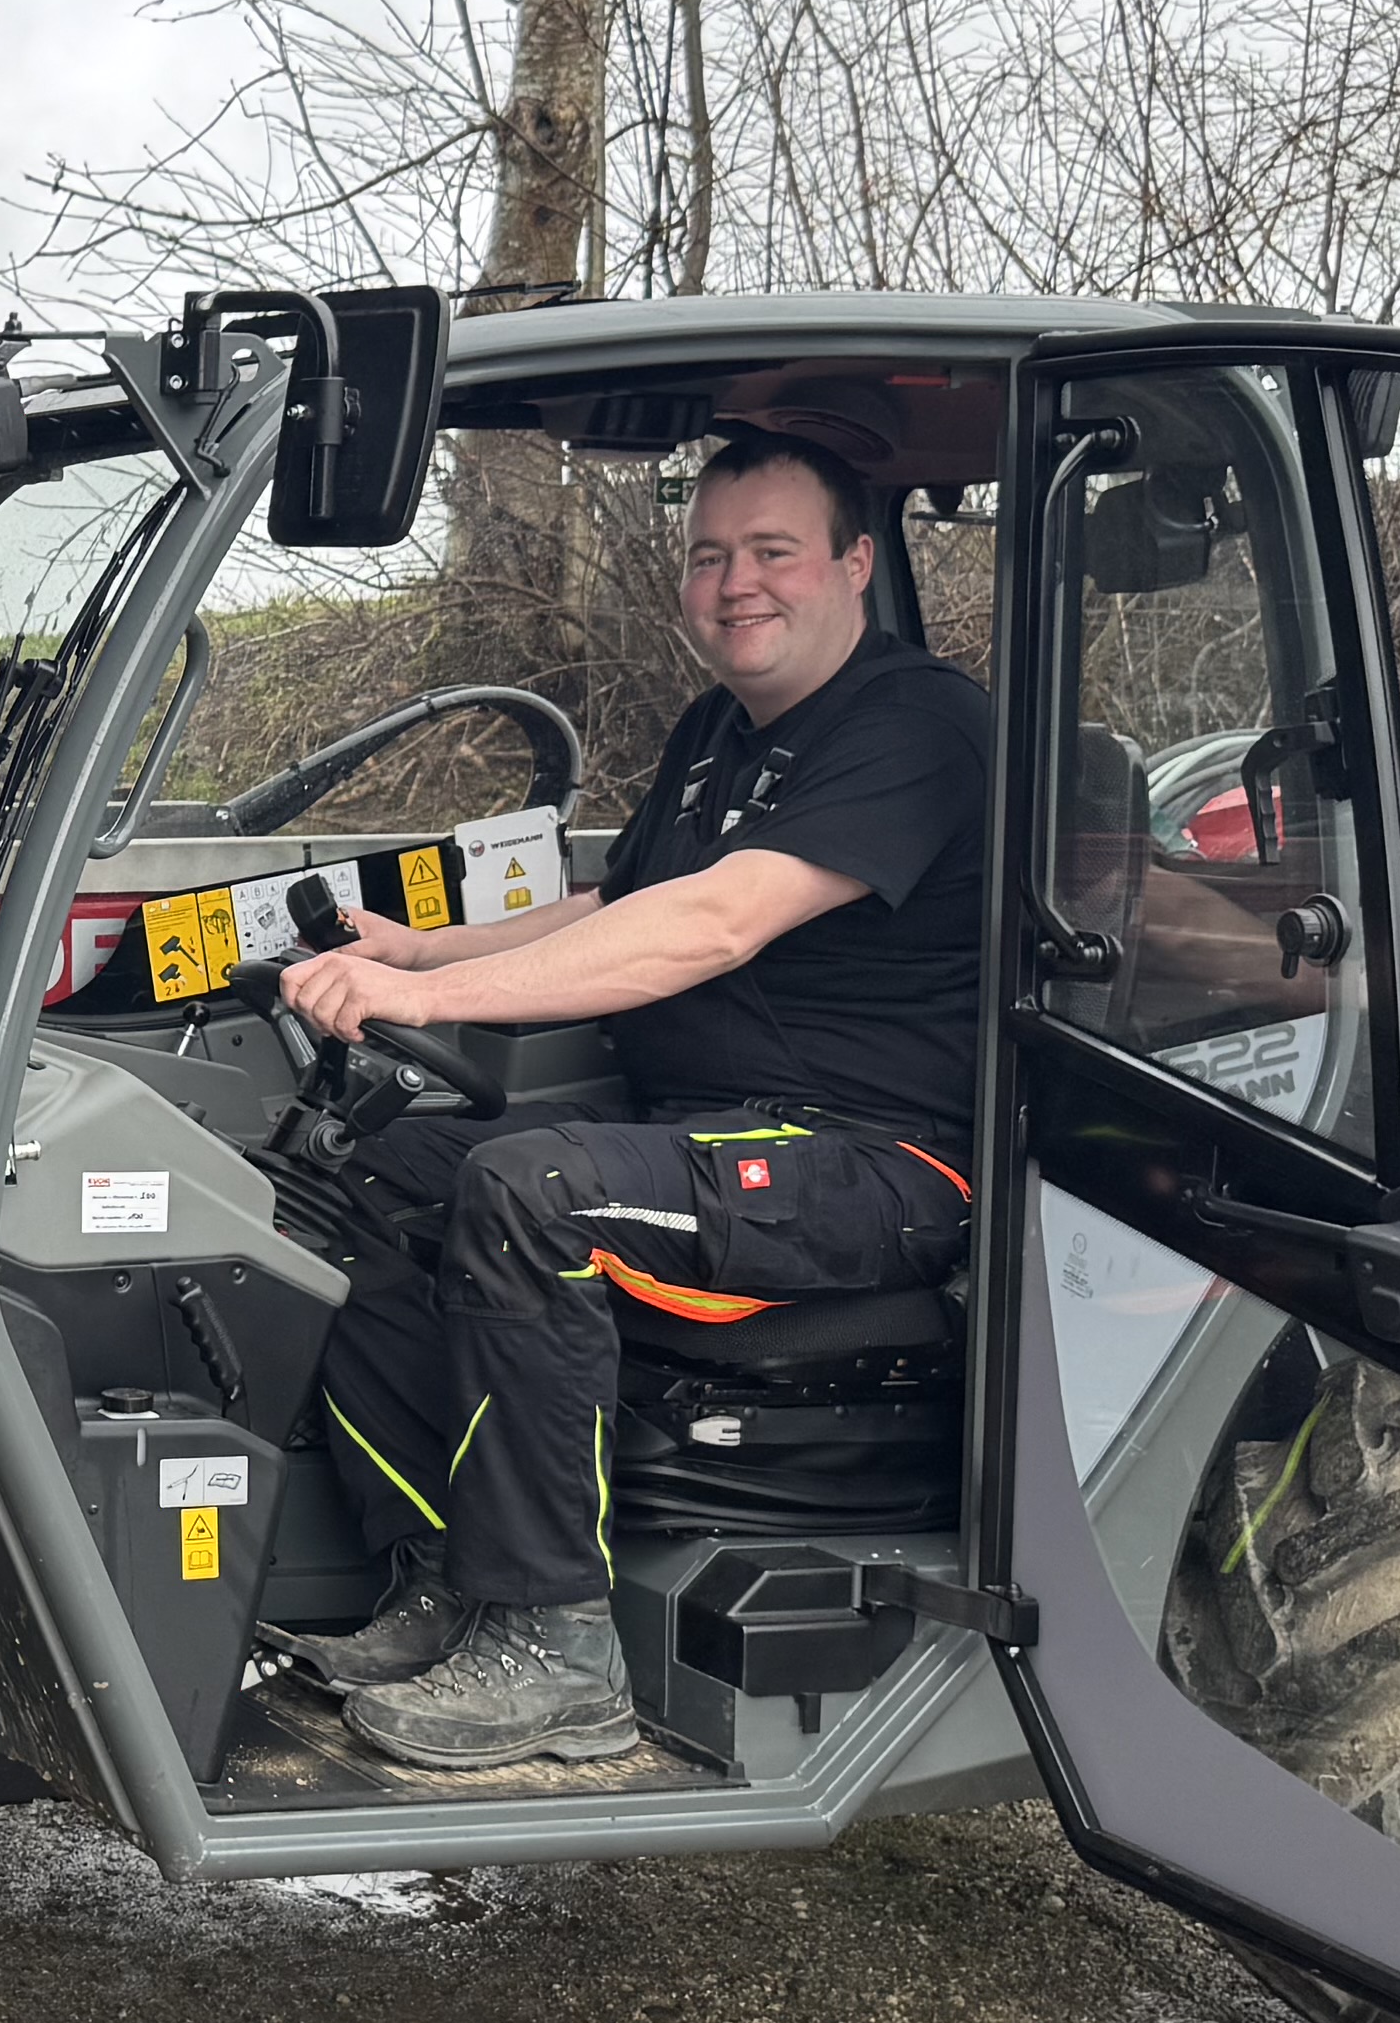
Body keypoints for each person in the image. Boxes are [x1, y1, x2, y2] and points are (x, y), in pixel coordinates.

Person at [270, 429, 992, 1769]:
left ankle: (557, 1650)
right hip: (713, 1139)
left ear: (853, 561)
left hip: (877, 1163)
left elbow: (717, 922)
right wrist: (421, 952)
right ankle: (449, 1580)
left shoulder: (917, 726)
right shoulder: (722, 733)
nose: (737, 583)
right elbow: (625, 905)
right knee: (365, 1172)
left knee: (532, 1191)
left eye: (773, 551)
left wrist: (432, 1004)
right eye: (710, 556)